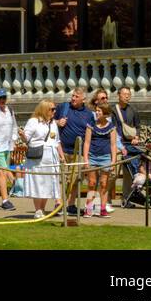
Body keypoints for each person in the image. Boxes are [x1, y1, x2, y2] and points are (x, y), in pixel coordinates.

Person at [55, 87, 95, 216]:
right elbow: (49, 120)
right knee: (61, 178)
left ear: (83, 99)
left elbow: (90, 134)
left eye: (76, 97)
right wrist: (57, 122)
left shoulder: (89, 114)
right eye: (72, 96)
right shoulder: (63, 107)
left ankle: (71, 204)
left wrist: (86, 155)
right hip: (62, 150)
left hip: (79, 152)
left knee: (76, 179)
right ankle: (59, 204)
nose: (73, 98)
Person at [22, 99, 64, 218]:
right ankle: (38, 210)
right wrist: (22, 136)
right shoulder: (33, 121)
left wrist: (61, 156)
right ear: (45, 109)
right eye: (52, 109)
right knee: (38, 182)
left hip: (51, 157)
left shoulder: (53, 123)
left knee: (48, 183)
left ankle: (43, 209)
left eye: (54, 109)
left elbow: (57, 141)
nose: (54, 111)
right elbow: (26, 139)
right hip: (37, 157)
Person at [83, 103, 122, 217]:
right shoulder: (91, 125)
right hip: (92, 156)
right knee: (92, 183)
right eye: (96, 111)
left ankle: (102, 208)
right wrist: (86, 159)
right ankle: (89, 208)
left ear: (105, 113)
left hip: (105, 158)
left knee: (104, 184)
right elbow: (87, 142)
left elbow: (113, 145)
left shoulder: (111, 127)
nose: (97, 113)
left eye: (99, 111)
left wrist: (113, 161)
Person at [113, 86, 142, 202]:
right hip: (117, 145)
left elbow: (138, 126)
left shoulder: (133, 110)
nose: (127, 96)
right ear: (118, 95)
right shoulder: (113, 111)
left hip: (130, 145)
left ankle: (126, 199)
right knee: (113, 174)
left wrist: (137, 136)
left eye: (128, 94)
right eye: (124, 94)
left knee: (128, 174)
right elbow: (112, 128)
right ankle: (106, 201)